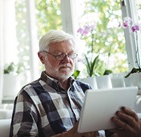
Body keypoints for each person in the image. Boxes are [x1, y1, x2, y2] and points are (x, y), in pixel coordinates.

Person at [9, 30, 141, 137]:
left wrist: (131, 131)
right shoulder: (29, 94)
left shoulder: (86, 89)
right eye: (59, 55)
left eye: (71, 54)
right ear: (42, 57)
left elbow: (106, 133)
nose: (67, 60)